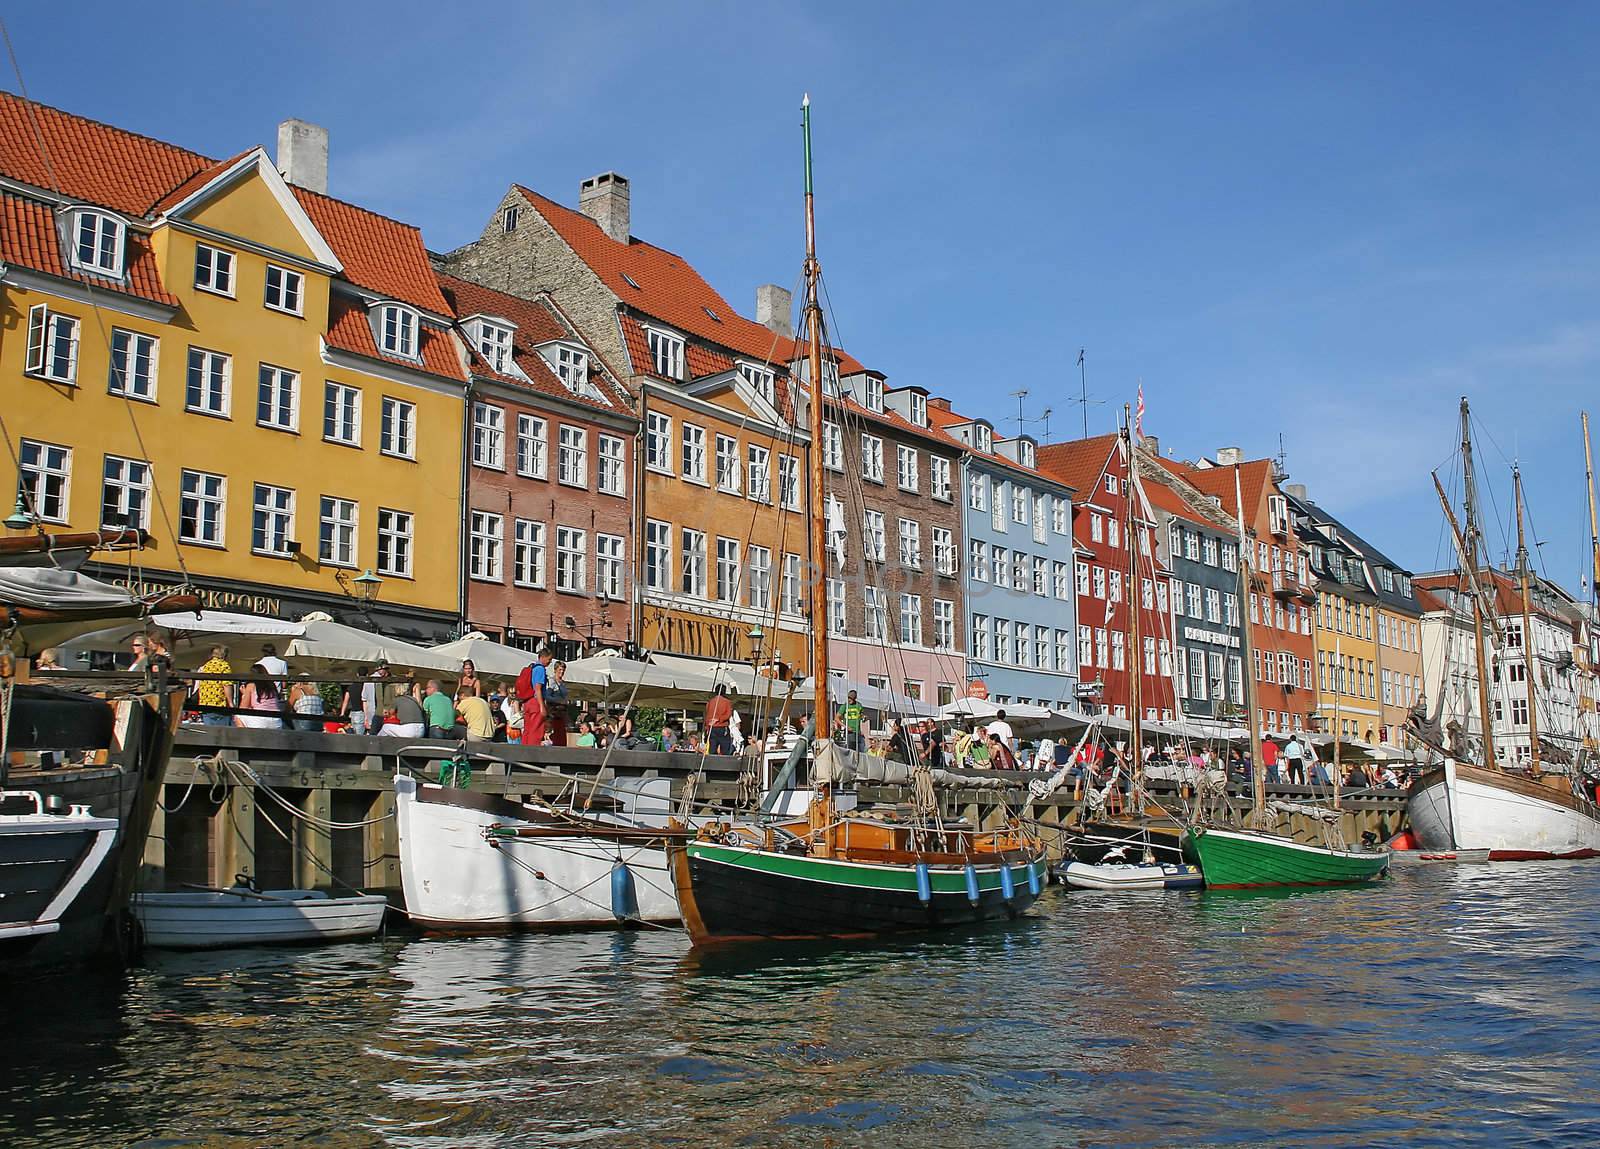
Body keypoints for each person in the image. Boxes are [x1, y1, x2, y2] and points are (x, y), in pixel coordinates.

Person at [516, 649, 553, 747]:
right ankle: (533, 754)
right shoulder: (540, 669)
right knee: (536, 729)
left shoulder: (532, 668)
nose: (550, 662)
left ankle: (524, 751)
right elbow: (538, 688)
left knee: (527, 729)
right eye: (549, 659)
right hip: (535, 702)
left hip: (527, 702)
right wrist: (542, 706)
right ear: (543, 657)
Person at [195, 644, 236, 726]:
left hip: (205, 705)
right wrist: (231, 703)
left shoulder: (205, 666)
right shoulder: (224, 665)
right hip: (219, 704)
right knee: (222, 734)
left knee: (210, 733)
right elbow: (227, 685)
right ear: (224, 655)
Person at [235, 664, 284, 729]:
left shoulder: (251, 686)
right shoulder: (272, 685)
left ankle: (246, 738)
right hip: (276, 721)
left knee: (238, 716)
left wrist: (244, 694)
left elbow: (243, 708)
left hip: (260, 720)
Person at [545, 660, 571, 745]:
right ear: (555, 670)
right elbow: (547, 696)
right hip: (554, 714)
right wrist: (559, 701)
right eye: (560, 669)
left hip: (562, 713)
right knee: (555, 737)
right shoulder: (552, 681)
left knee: (561, 738)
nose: (562, 672)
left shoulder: (563, 683)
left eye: (563, 670)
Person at [704, 684, 734, 755]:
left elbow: (707, 717)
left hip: (712, 727)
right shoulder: (727, 702)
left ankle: (712, 763)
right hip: (722, 727)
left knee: (712, 748)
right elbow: (728, 715)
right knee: (725, 748)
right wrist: (719, 719)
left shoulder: (710, 702)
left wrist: (707, 728)